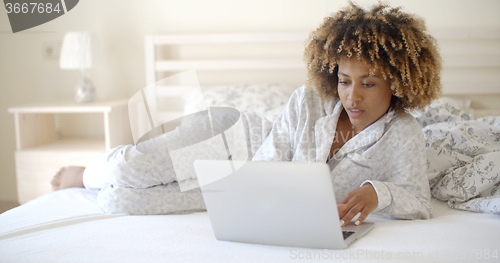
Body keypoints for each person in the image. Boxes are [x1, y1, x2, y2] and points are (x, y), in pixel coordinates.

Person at [52, 2, 441, 225]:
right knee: (128, 172)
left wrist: (380, 193)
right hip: (232, 140)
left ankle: (97, 186)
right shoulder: (306, 102)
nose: (352, 96)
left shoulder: (403, 134)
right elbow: (269, 162)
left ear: (399, 82)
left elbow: (420, 203)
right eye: (343, 80)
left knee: (122, 202)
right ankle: (86, 173)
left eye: (369, 83)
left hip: (246, 190)